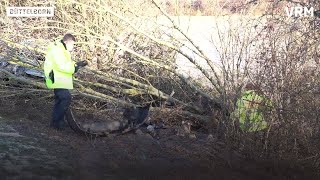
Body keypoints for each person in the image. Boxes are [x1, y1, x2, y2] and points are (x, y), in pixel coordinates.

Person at [43, 33, 88, 130]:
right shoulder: (58, 50)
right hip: (56, 78)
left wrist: (76, 65)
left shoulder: (62, 49)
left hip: (59, 79)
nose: (73, 47)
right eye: (72, 44)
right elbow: (61, 66)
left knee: (60, 100)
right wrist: (75, 68)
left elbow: (65, 63)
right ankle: (57, 123)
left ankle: (57, 122)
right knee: (65, 98)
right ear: (67, 42)